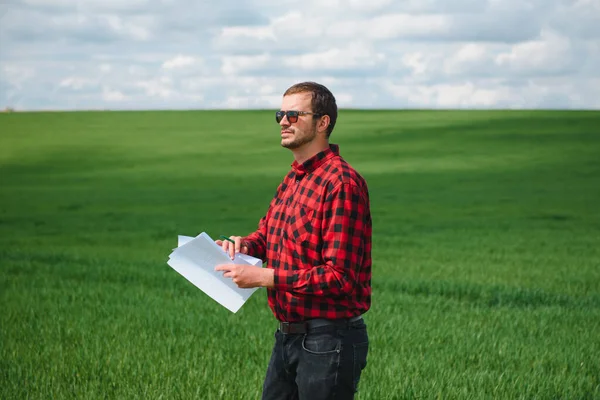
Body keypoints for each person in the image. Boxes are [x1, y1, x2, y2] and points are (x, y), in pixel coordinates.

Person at [215, 81, 372, 399]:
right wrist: (243, 245)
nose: (283, 121)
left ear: (322, 122)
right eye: (280, 114)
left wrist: (263, 277)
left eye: (294, 114)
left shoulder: (341, 183)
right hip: (287, 336)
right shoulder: (293, 179)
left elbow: (339, 278)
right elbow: (267, 237)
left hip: (329, 340)